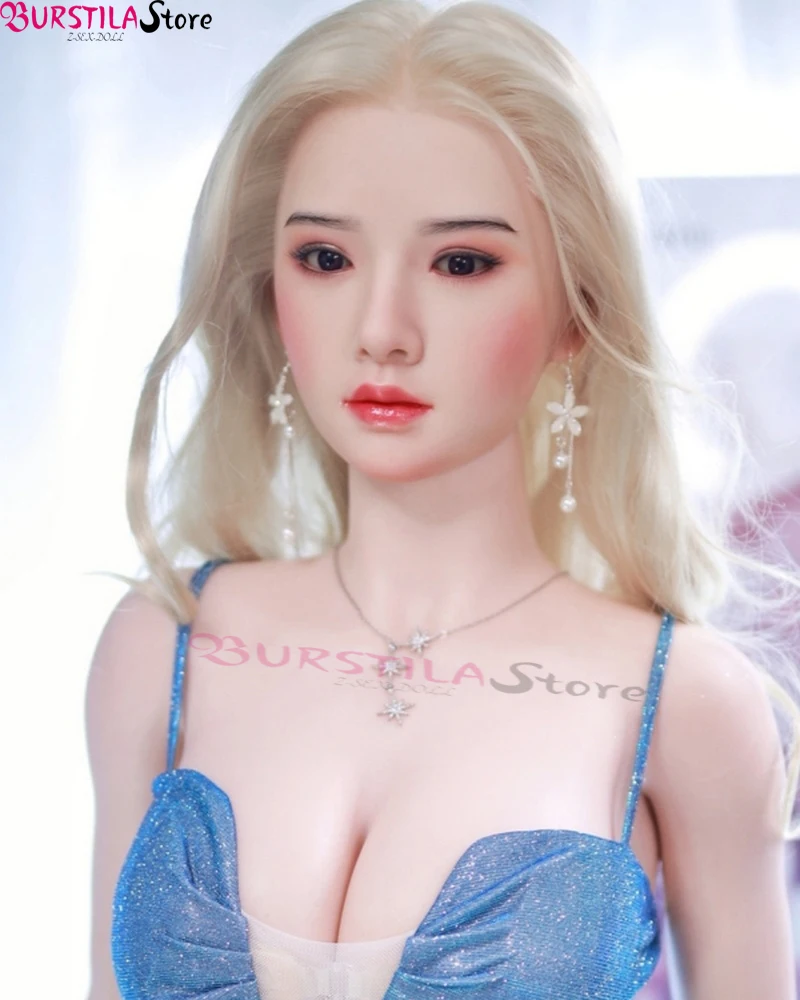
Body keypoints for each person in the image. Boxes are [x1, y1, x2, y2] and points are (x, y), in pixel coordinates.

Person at [85, 1, 800, 997]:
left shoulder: (685, 701)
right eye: (325, 259)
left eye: (461, 263)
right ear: (267, 287)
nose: (382, 328)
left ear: (576, 310)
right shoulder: (163, 642)